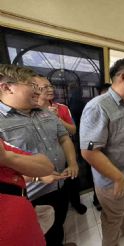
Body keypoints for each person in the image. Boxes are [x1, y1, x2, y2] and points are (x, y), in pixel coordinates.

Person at [0, 64, 79, 246]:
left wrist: (72, 163)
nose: (38, 92)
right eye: (32, 86)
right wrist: (36, 177)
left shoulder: (45, 112)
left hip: (60, 183)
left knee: (58, 224)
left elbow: (64, 138)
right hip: (30, 195)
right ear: (7, 87)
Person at [80, 58, 124, 245]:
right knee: (112, 218)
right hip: (113, 182)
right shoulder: (98, 106)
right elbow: (89, 152)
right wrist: (118, 177)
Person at [35, 76, 87, 215]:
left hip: (65, 153)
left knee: (72, 181)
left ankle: (76, 203)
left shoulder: (62, 108)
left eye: (50, 86)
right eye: (45, 87)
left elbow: (73, 130)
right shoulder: (30, 111)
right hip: (43, 158)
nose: (50, 89)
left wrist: (57, 119)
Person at [0, 138, 54, 246]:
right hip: (35, 193)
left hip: (31, 232)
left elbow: (46, 167)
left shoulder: (3, 147)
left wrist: (6, 158)